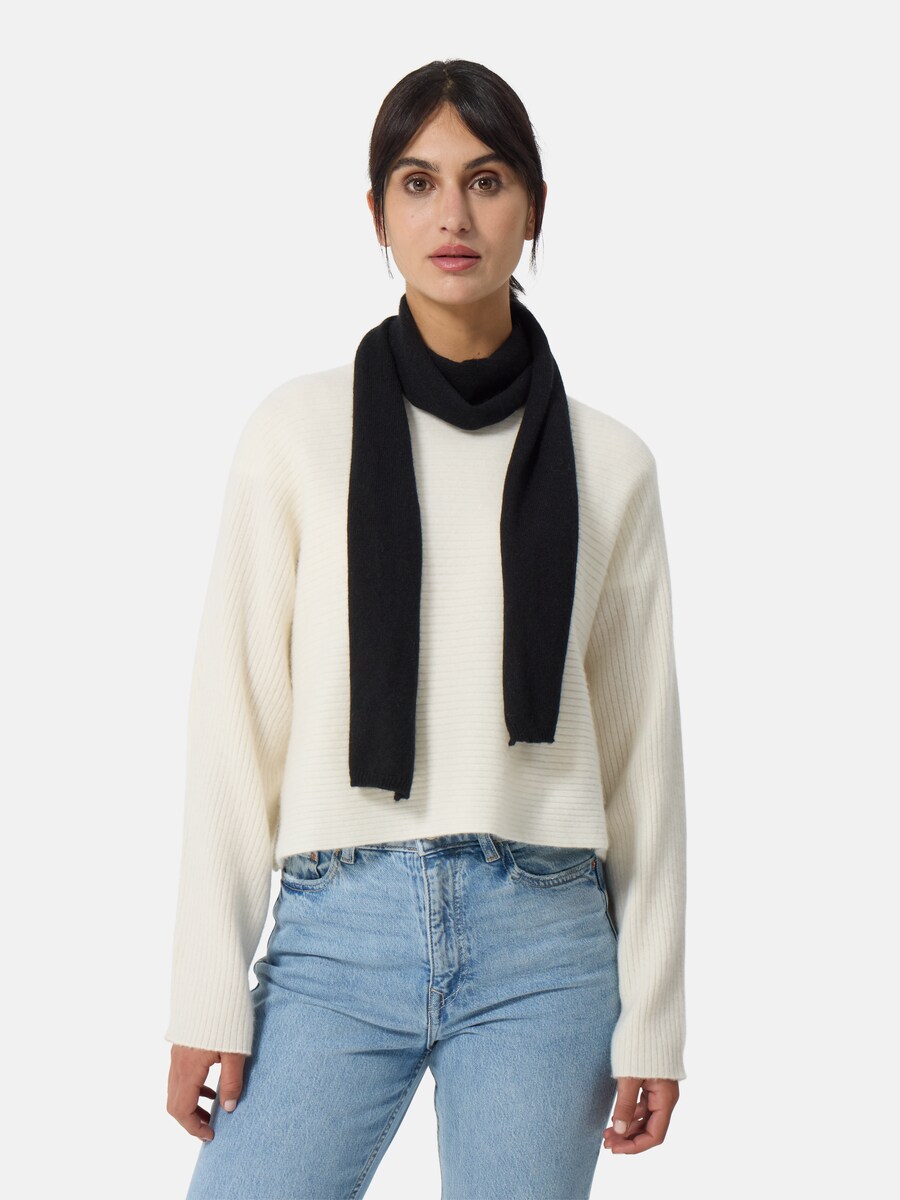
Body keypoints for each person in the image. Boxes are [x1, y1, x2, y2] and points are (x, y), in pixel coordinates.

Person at [165, 58, 687, 1200]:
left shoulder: (610, 465)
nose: (454, 215)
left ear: (533, 207)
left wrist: (654, 1015)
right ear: (377, 214)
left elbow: (643, 761)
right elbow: (236, 723)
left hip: (545, 947)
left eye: (487, 180)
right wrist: (207, 991)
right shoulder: (296, 435)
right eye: (419, 182)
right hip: (334, 938)